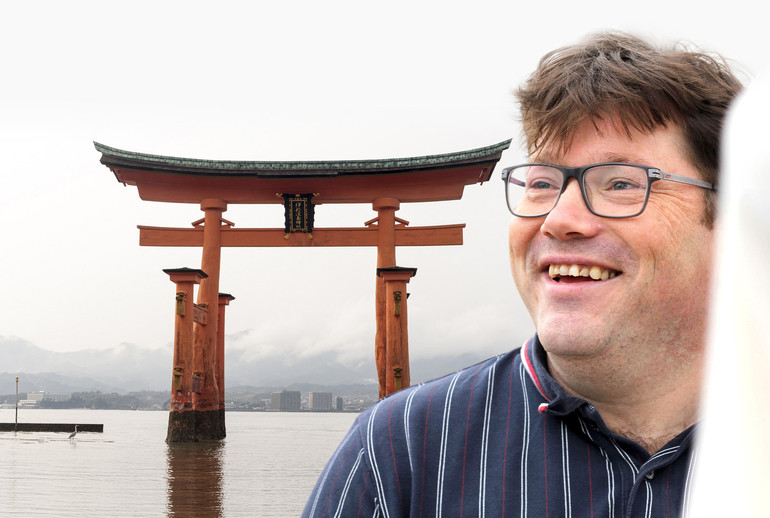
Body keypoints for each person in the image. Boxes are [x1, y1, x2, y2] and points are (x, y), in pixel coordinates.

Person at [301, 32, 743, 517]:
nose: (559, 218)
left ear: (732, 221)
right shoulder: (401, 448)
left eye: (620, 182)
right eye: (541, 183)